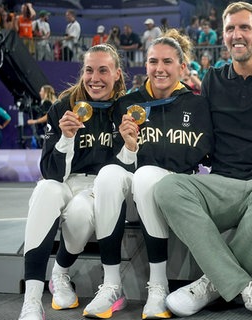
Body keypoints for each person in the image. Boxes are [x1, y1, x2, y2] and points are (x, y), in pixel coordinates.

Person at [153, 2, 252, 320]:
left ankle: (212, 284)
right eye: (231, 28)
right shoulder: (213, 79)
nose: (237, 34)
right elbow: (200, 136)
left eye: (244, 27)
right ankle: (246, 290)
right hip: (223, 182)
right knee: (167, 187)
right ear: (224, 35)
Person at [77, 29, 213, 319]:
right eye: (153, 62)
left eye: (167, 62)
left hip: (175, 191)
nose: (159, 69)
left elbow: (204, 156)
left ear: (182, 67)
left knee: (146, 174)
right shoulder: (128, 104)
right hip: (134, 194)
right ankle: (111, 285)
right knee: (110, 175)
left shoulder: (197, 105)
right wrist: (128, 147)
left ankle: (158, 286)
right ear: (146, 64)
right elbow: (117, 160)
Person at [17, 44, 126, 320]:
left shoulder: (125, 109)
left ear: (116, 74)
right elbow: (51, 173)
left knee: (79, 211)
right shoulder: (63, 107)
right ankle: (31, 302)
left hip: (99, 188)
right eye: (89, 70)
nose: (95, 78)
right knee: (44, 190)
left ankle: (60, 273)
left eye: (103, 70)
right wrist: (66, 139)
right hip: (65, 181)